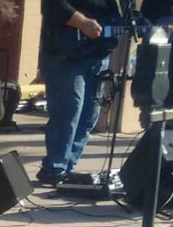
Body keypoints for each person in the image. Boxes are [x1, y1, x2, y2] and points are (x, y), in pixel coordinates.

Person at [36, 0, 122, 186]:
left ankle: (67, 169)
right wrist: (82, 23)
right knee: (69, 112)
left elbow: (118, 13)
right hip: (64, 54)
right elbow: (52, 6)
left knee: (89, 115)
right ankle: (54, 169)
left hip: (97, 55)